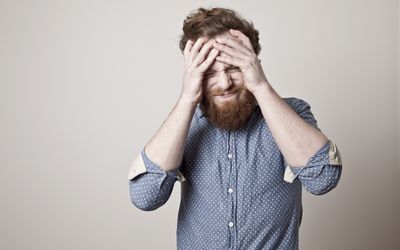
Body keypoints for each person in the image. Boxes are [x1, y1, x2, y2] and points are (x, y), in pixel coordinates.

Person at [128, 7, 342, 250]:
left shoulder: (292, 113)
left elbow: (323, 178)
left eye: (234, 68)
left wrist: (260, 85)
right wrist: (187, 98)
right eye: (209, 73)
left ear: (254, 63)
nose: (224, 83)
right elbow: (144, 197)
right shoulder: (184, 124)